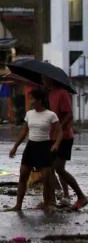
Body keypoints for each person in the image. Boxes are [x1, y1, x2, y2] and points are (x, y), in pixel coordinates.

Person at [4, 88, 62, 212]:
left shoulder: (50, 115)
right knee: (23, 175)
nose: (30, 101)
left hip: (44, 147)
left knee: (46, 178)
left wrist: (56, 144)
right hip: (31, 147)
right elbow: (24, 131)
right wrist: (15, 147)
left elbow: (59, 131)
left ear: (40, 100)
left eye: (32, 99)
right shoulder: (29, 114)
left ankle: (48, 204)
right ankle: (18, 205)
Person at [43, 77, 88, 210]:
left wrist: (59, 127)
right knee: (48, 169)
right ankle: (50, 200)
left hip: (65, 137)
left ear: (51, 79)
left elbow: (69, 114)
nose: (43, 80)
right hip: (51, 136)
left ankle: (81, 196)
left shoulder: (62, 93)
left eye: (44, 79)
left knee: (59, 168)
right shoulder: (49, 94)